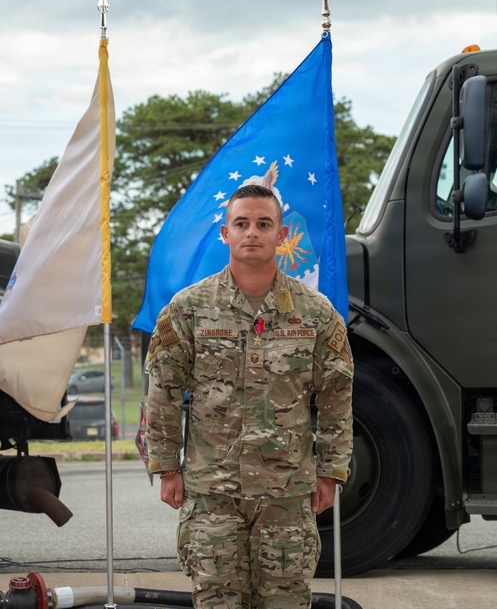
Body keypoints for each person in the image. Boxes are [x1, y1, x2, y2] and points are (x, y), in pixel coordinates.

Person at [145, 184, 353, 609]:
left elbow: (337, 396)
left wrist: (331, 472)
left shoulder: (315, 313)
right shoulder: (188, 309)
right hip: (211, 494)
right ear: (226, 234)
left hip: (286, 495)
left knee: (286, 601)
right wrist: (166, 467)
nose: (252, 232)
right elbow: (163, 392)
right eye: (241, 224)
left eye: (263, 223)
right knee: (216, 600)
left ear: (282, 234)